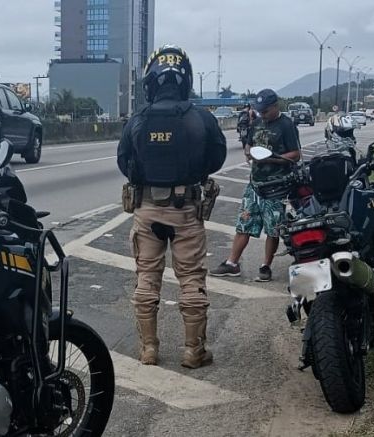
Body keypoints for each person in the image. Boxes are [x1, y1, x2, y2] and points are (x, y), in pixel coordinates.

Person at [117, 45, 227, 368]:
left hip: (148, 209)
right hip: (186, 211)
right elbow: (217, 157)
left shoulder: (137, 120)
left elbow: (124, 161)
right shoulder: (202, 118)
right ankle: (194, 351)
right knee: (191, 277)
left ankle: (149, 348)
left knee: (146, 278)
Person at [210, 89, 301, 282]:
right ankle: (232, 263)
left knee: (272, 229)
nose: (262, 114)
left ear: (276, 107)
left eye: (266, 110)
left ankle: (266, 265)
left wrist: (274, 159)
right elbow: (248, 145)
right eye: (260, 110)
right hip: (255, 184)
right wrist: (249, 152)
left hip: (277, 186)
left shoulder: (286, 125)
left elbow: (295, 154)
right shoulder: (257, 123)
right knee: (244, 223)